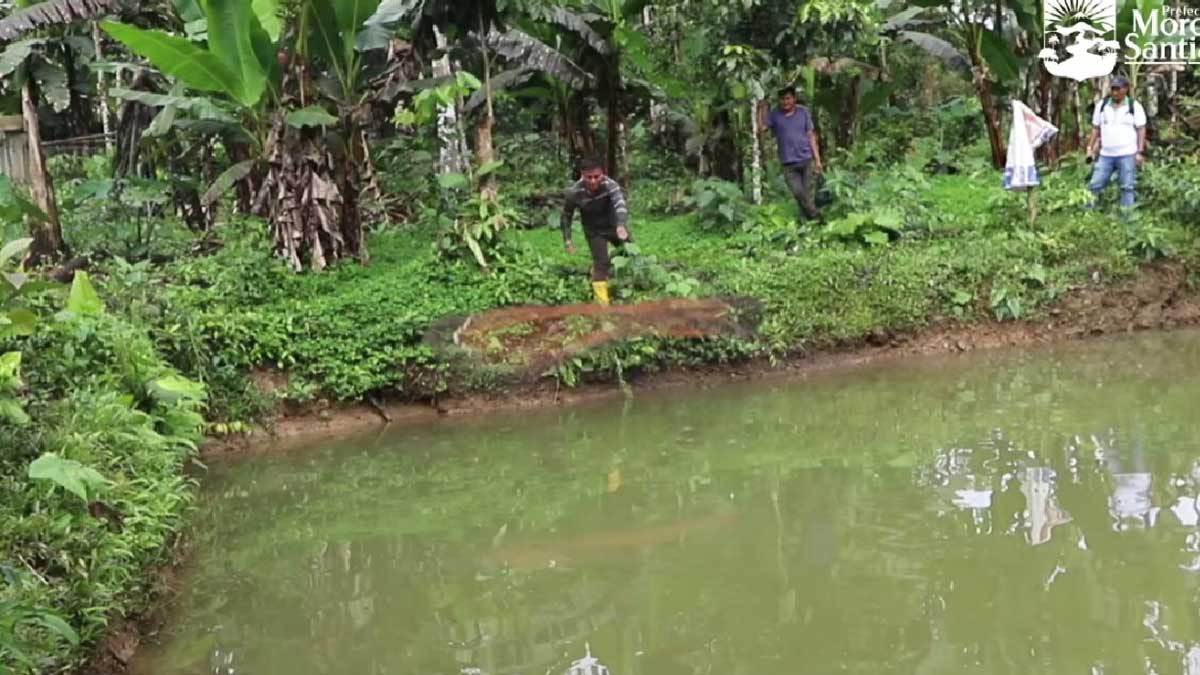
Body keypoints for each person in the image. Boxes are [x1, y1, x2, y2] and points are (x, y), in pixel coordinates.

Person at [561, 158, 632, 306]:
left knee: (629, 252)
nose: (593, 181)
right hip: (594, 231)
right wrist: (567, 240)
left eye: (597, 177)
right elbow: (566, 216)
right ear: (582, 175)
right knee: (601, 263)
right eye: (589, 177)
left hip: (613, 225)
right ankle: (602, 304)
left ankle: (629, 288)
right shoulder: (574, 192)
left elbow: (620, 204)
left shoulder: (610, 185)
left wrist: (620, 225)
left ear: (602, 174)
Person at [759, 85, 825, 223]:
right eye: (782, 99)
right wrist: (762, 109)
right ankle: (817, 218)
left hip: (806, 160)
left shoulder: (803, 112)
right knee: (798, 193)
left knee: (807, 194)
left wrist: (817, 159)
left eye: (788, 98)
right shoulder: (775, 114)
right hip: (788, 163)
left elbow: (811, 135)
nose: (785, 102)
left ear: (794, 99)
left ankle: (808, 222)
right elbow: (762, 128)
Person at [1086, 75, 1147, 211]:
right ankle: (1087, 214)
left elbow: (1141, 129)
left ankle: (1127, 218)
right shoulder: (1102, 106)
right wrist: (1090, 147)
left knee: (1127, 187)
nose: (1114, 92)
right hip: (1106, 154)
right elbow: (1096, 128)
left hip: (1127, 154)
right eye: (1113, 89)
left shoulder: (1134, 106)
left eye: (1118, 89)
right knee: (1095, 184)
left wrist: (1139, 152)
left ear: (1125, 89)